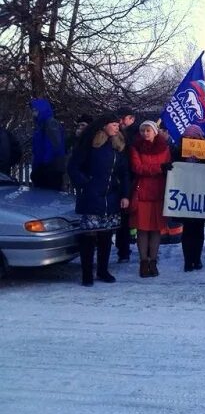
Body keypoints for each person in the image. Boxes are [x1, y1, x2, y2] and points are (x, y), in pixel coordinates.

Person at [67, 113, 130, 286]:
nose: (117, 127)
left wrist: (125, 194)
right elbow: (73, 167)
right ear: (104, 126)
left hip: (111, 197)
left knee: (106, 235)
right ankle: (87, 273)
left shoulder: (118, 146)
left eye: (118, 125)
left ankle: (103, 270)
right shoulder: (91, 144)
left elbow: (124, 173)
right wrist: (85, 183)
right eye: (113, 124)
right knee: (88, 237)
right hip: (91, 196)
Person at [129, 120, 172, 278]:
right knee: (142, 229)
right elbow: (138, 168)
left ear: (155, 132)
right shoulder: (136, 148)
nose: (145, 134)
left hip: (159, 193)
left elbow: (168, 167)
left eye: (148, 130)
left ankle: (153, 261)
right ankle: (143, 262)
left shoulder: (164, 148)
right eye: (143, 131)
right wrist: (159, 168)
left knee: (155, 229)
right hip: (143, 193)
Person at [177, 124, 205, 272]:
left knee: (198, 229)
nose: (191, 140)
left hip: (201, 193)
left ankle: (198, 258)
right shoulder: (178, 151)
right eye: (188, 137)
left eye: (194, 138)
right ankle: (188, 261)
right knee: (188, 229)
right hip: (185, 194)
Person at [114, 106, 137, 263]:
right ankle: (122, 249)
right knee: (121, 216)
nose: (121, 121)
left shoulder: (136, 135)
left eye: (124, 118)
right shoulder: (114, 134)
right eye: (119, 118)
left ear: (132, 119)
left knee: (127, 215)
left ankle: (125, 248)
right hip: (117, 177)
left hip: (132, 178)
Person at [30, 98, 66, 190]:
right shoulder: (41, 125)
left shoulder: (50, 123)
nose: (33, 113)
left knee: (48, 198)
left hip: (50, 170)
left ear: (42, 110)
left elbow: (53, 145)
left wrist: (44, 165)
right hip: (43, 169)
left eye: (35, 110)